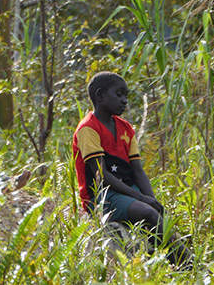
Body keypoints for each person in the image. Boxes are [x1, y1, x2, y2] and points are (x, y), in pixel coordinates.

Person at [72, 71, 191, 268]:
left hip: (126, 189)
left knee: (159, 216)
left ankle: (174, 265)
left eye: (126, 95)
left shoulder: (126, 128)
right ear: (100, 96)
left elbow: (138, 171)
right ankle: (190, 267)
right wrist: (144, 201)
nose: (124, 101)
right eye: (119, 94)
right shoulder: (88, 128)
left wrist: (151, 199)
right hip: (101, 196)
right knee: (147, 213)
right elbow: (101, 176)